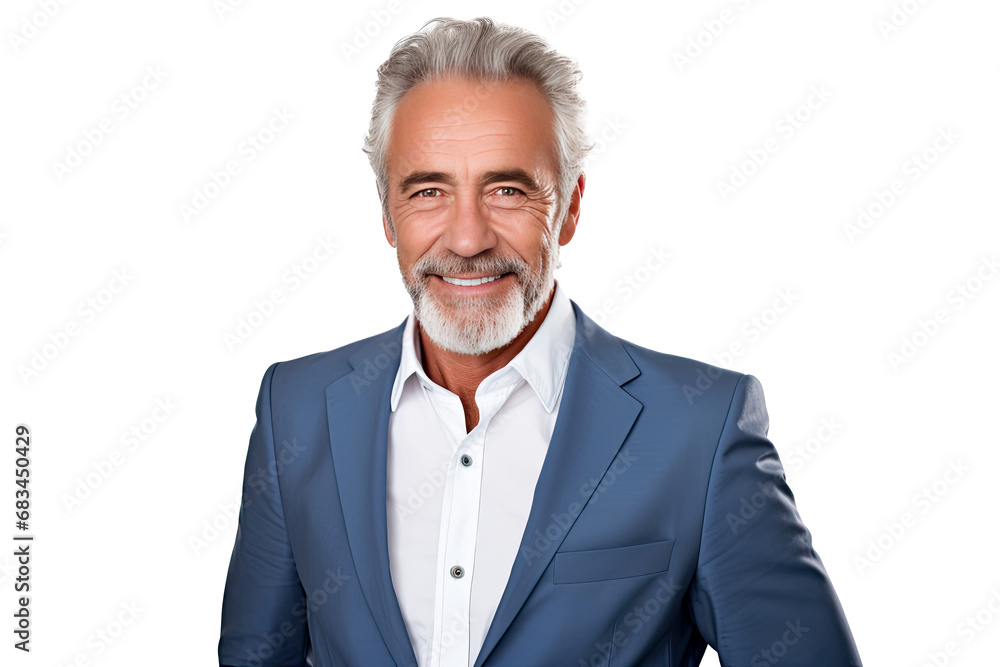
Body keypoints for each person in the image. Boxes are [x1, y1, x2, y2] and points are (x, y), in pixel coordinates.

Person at [218, 16, 862, 667]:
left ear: (570, 206)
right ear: (387, 214)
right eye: (429, 191)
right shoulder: (294, 410)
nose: (468, 239)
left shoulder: (700, 432)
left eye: (507, 190)